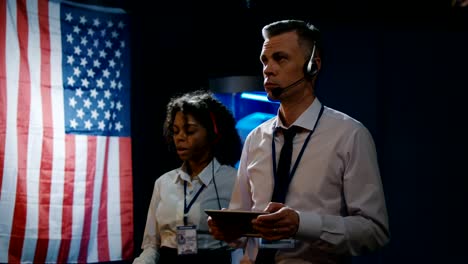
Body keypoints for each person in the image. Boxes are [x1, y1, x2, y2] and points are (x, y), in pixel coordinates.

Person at [208, 19, 390, 263]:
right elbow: (244, 222)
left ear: (312, 67)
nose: (268, 69)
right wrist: (231, 230)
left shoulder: (350, 135)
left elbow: (374, 231)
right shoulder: (255, 138)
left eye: (280, 59)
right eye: (265, 60)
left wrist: (303, 225)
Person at [133, 89, 243, 264]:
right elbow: (152, 245)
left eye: (189, 131)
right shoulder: (163, 183)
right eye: (175, 131)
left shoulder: (234, 181)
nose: (180, 138)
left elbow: (242, 245)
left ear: (213, 134)